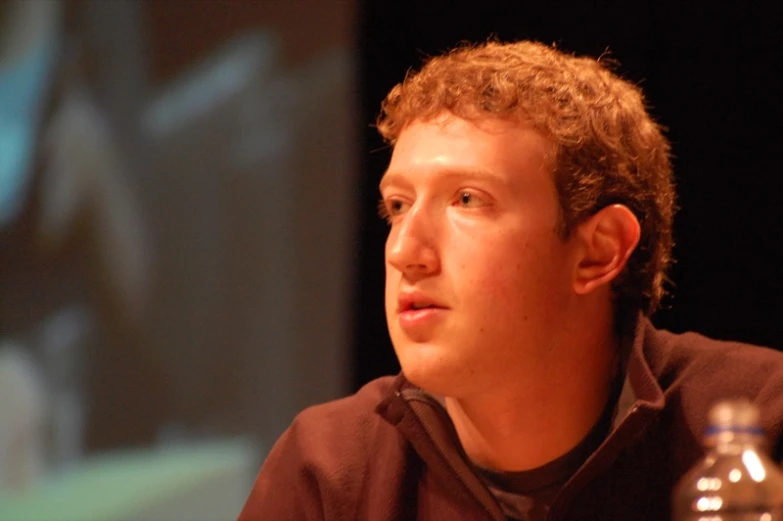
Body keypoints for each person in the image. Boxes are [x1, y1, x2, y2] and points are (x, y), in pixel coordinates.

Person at [238, 40, 783, 521]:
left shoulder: (763, 423)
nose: (405, 251)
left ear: (599, 251)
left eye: (467, 199)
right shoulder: (330, 469)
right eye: (397, 206)